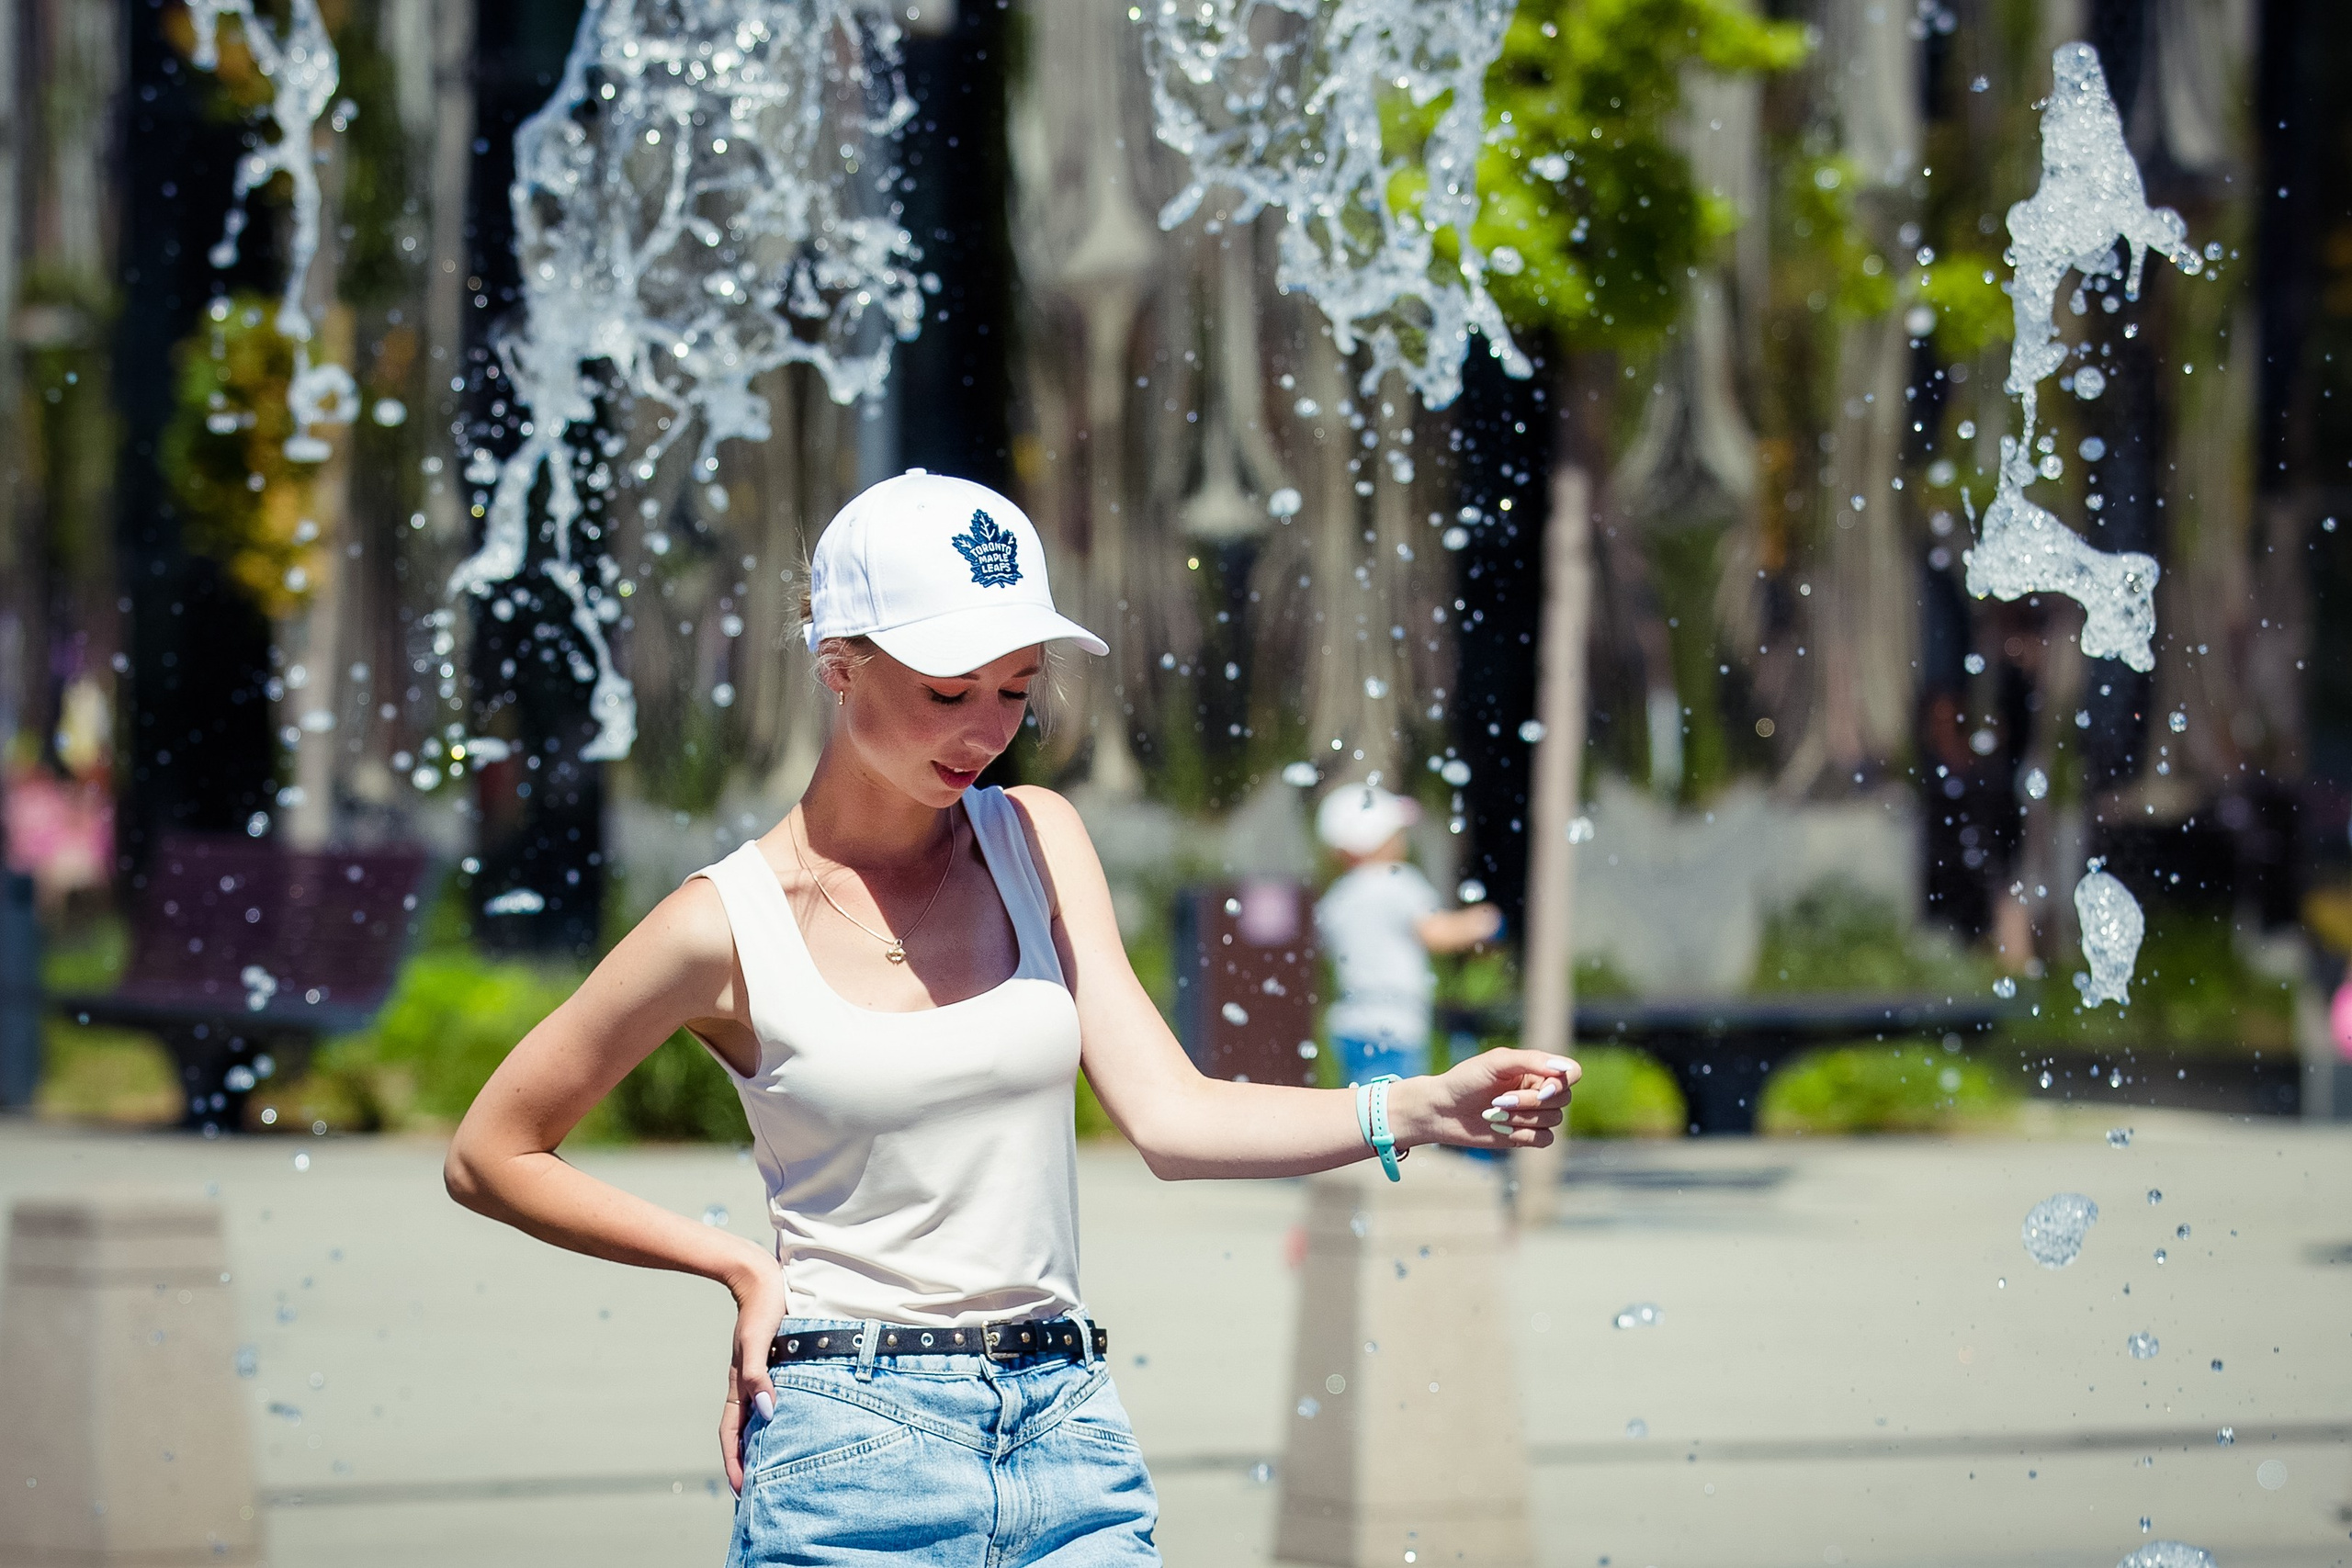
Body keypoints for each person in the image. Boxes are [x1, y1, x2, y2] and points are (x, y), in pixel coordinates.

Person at [443, 471, 1576, 1567]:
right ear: (838, 666)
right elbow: (492, 1152)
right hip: (851, 1449)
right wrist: (737, 1268)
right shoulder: (723, 922)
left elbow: (1173, 1119)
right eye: (948, 690)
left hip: (1070, 1435)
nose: (987, 727)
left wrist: (1424, 1105)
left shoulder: (1034, 838)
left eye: (1017, 687)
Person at [1313, 784, 1504, 1089]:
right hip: (1395, 1024)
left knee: (1361, 1109)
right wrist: (1480, 923)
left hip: (1350, 1022)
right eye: (1395, 834)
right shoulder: (1399, 881)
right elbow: (1435, 933)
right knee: (1396, 1111)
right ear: (1376, 840)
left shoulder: (1338, 896)